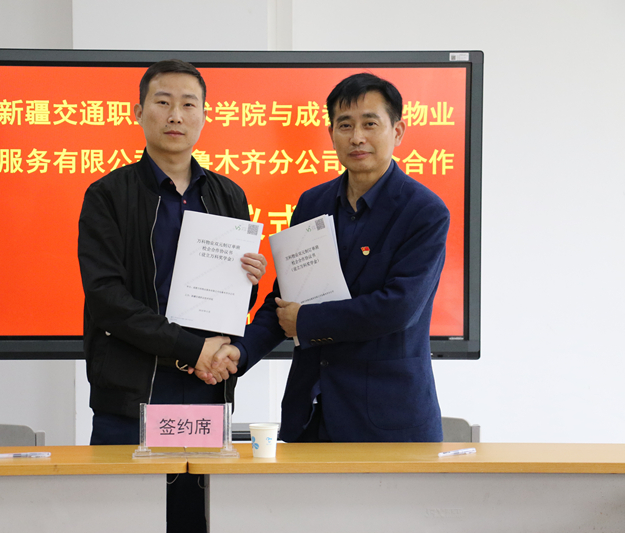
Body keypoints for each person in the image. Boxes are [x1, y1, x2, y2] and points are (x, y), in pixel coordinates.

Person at [77, 59, 266, 532]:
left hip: (205, 392)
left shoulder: (228, 195)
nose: (176, 115)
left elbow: (232, 304)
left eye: (188, 104)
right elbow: (105, 298)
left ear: (205, 115)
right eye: (162, 102)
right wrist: (190, 347)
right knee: (125, 521)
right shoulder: (108, 194)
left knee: (199, 519)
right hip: (133, 397)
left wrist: (250, 280)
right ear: (138, 112)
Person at [219, 72, 449, 443]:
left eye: (370, 124)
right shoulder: (313, 203)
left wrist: (305, 320)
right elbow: (285, 298)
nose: (357, 137)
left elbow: (398, 307)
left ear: (398, 131)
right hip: (311, 414)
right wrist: (239, 352)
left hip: (388, 420)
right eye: (345, 125)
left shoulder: (424, 211)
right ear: (331, 134)